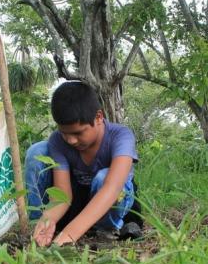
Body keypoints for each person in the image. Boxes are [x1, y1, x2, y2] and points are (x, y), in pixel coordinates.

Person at [25, 81, 142, 247]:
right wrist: (48, 220)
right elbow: (62, 195)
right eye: (64, 133)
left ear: (99, 117)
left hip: (112, 203)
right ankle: (38, 229)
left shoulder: (121, 136)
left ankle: (105, 230)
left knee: (103, 177)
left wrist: (69, 234)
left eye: (78, 133)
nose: (71, 140)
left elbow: (112, 188)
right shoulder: (58, 141)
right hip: (78, 201)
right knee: (37, 151)